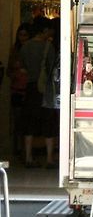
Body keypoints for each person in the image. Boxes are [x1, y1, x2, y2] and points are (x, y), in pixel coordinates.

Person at [19, 16, 55, 168]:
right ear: (45, 30)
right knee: (48, 121)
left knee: (30, 122)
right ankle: (49, 159)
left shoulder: (25, 47)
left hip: (31, 86)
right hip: (46, 89)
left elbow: (23, 67)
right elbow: (53, 67)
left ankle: (28, 157)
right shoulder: (49, 47)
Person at [6, 23, 32, 156]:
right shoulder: (15, 49)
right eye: (20, 35)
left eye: (25, 35)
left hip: (29, 88)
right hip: (17, 89)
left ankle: (24, 148)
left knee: (26, 120)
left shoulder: (31, 49)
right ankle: (17, 147)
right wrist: (16, 73)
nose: (23, 38)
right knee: (17, 119)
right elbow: (8, 70)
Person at [42, 18, 61, 168]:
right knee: (61, 124)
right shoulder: (67, 46)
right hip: (62, 91)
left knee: (49, 123)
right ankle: (60, 156)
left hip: (49, 92)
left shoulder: (48, 46)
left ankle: (49, 157)